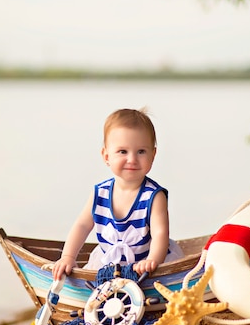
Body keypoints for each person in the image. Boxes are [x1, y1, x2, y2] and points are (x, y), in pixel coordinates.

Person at [52, 108, 183, 280]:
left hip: (144, 264)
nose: (132, 159)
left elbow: (160, 234)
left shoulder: (153, 196)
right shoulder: (100, 193)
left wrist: (152, 259)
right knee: (94, 284)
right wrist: (68, 257)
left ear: (153, 155)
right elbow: (82, 226)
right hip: (109, 262)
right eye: (123, 151)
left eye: (141, 151)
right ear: (106, 156)